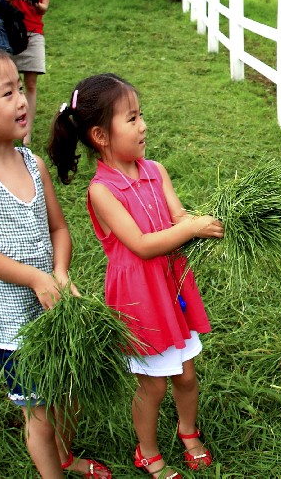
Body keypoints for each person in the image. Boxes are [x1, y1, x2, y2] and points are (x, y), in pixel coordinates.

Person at [0, 45, 111, 479]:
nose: (22, 100)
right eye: (8, 92)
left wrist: (58, 273)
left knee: (69, 391)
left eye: (21, 88)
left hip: (51, 307)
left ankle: (66, 458)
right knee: (39, 411)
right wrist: (35, 278)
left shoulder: (33, 163)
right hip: (11, 320)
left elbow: (59, 230)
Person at [48, 74, 224, 479]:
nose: (143, 125)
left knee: (185, 372)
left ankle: (188, 432)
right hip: (140, 296)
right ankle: (147, 451)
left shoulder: (155, 170)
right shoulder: (101, 191)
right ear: (100, 136)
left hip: (171, 284)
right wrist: (190, 229)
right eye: (131, 119)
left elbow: (178, 217)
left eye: (140, 115)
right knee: (153, 385)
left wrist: (204, 222)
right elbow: (142, 244)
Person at [8, 0, 58, 147]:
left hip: (34, 31)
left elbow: (44, 8)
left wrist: (35, 1)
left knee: (30, 84)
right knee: (8, 82)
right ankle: (9, 124)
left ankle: (26, 132)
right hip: (12, 30)